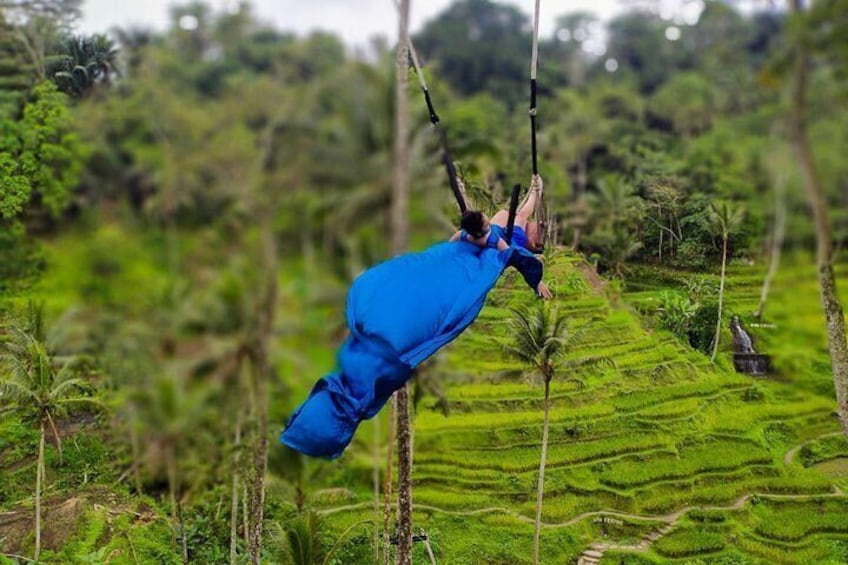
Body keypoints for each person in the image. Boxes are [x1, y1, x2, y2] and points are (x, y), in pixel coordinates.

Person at [451, 174, 545, 254]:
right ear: (485, 229)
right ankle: (535, 192)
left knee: (503, 214)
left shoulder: (462, 234)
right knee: (521, 216)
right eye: (487, 223)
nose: (486, 218)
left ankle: (535, 193)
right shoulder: (495, 241)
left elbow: (448, 247)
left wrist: (460, 192)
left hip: (500, 234)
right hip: (512, 240)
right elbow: (510, 255)